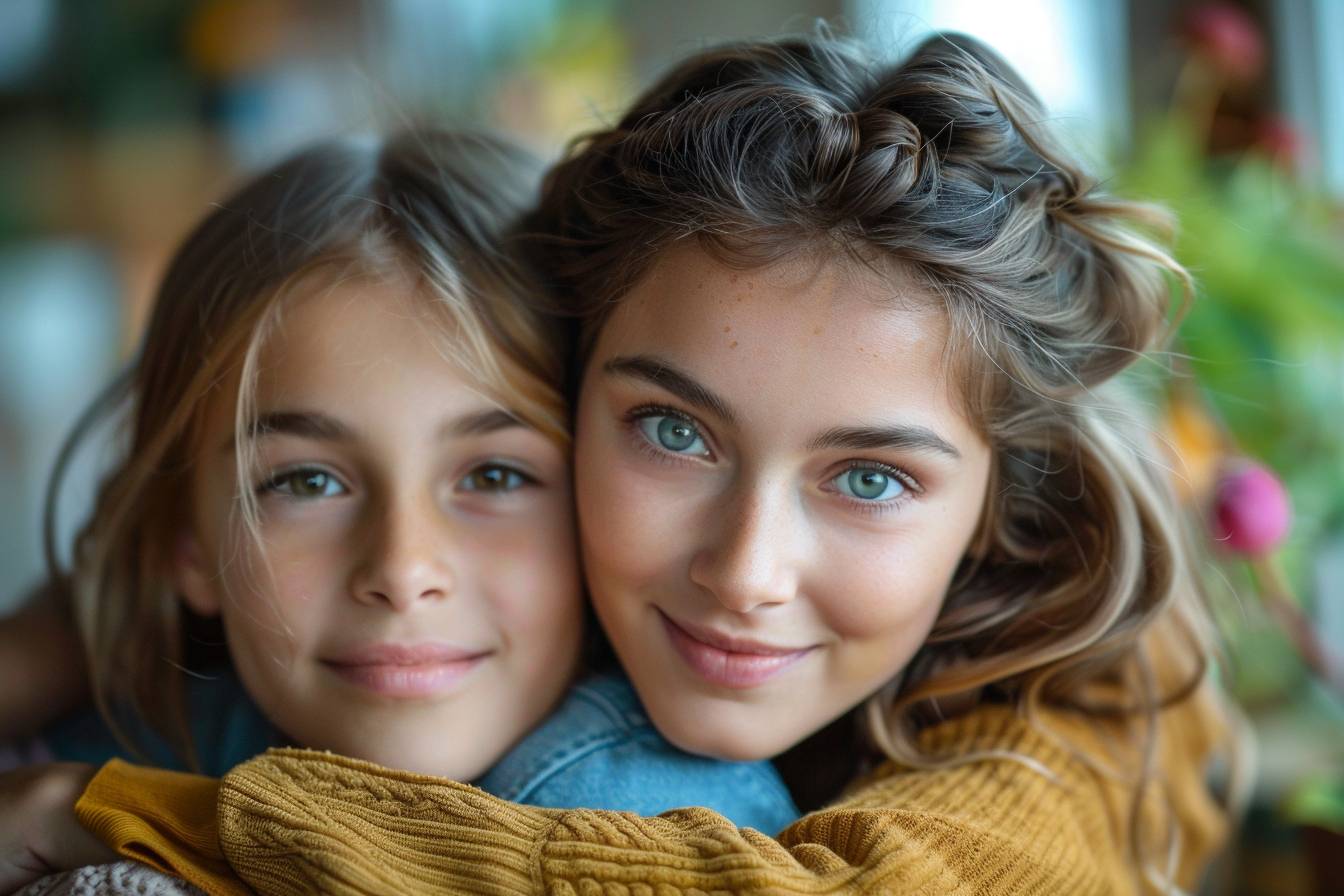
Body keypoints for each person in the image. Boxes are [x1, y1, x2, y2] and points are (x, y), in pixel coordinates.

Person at [22, 30, 1239, 896]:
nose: (744, 573)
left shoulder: (1067, 715)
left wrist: (134, 813)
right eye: (674, 431)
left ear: (992, 506)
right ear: (577, 366)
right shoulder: (471, 625)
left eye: (869, 476)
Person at [0, 130, 797, 896]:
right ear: (188, 543)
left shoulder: (640, 807)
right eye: (305, 483)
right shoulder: (175, 724)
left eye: (494, 474)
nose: (402, 571)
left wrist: (129, 816)